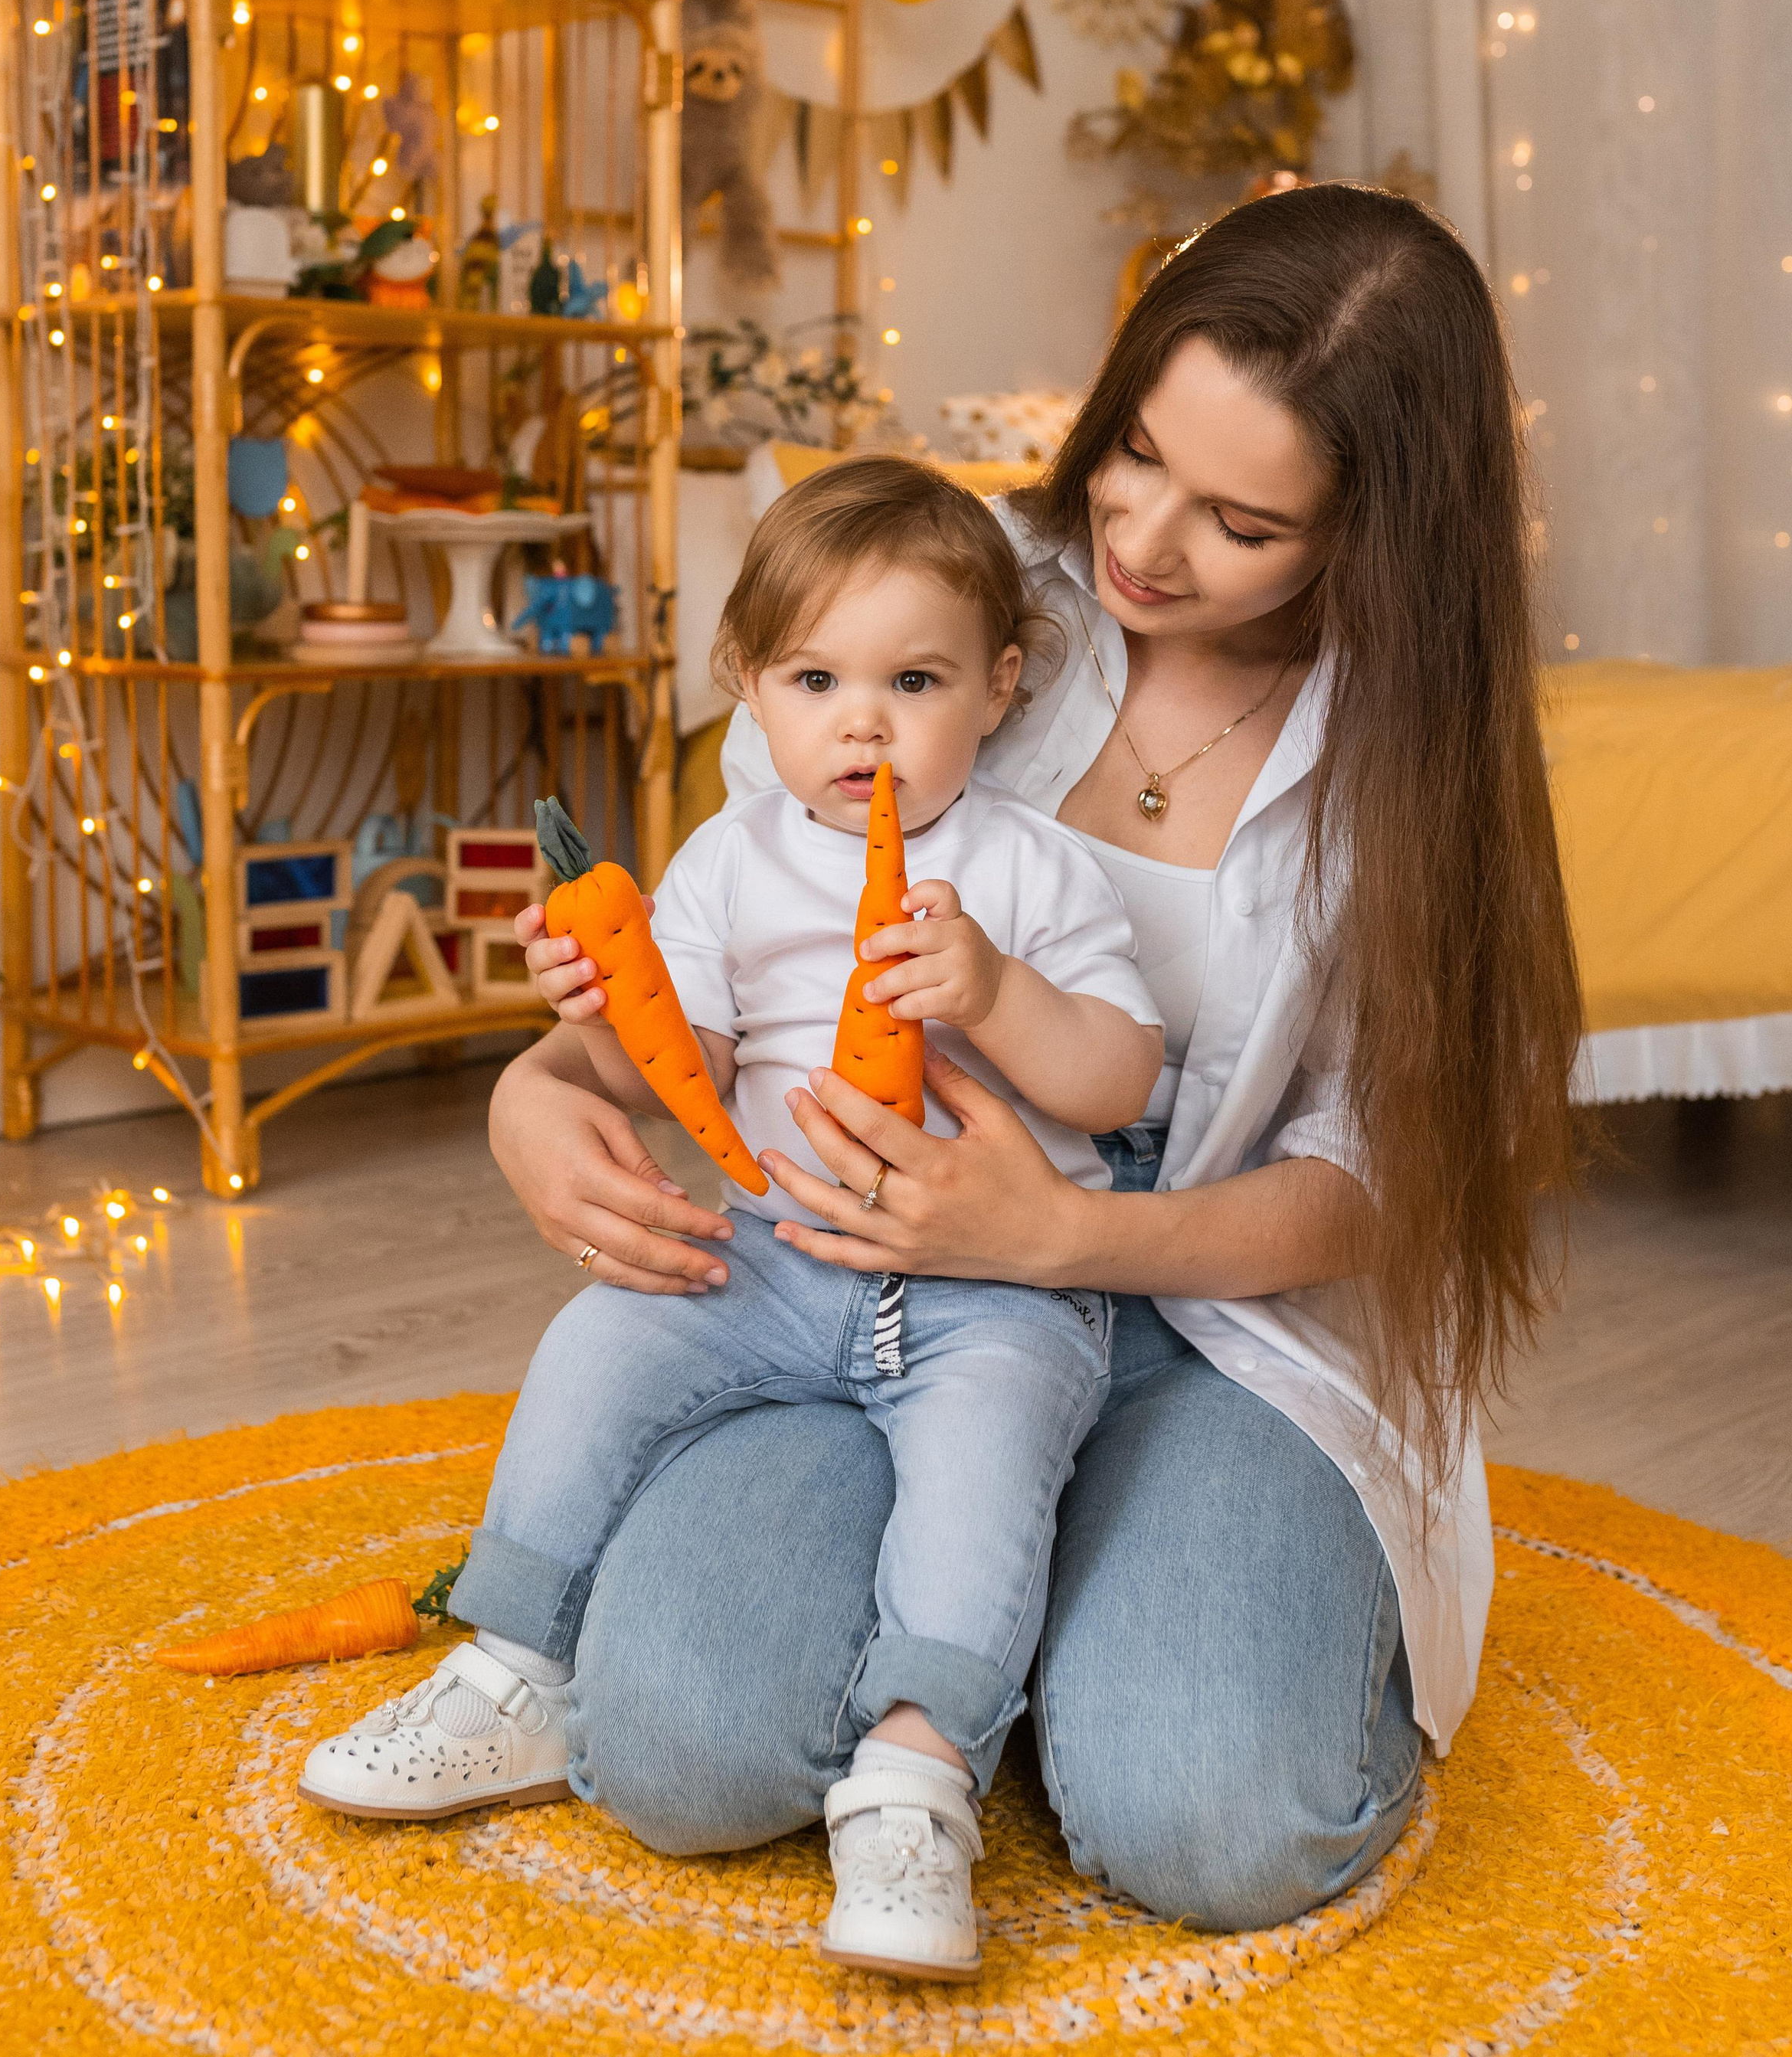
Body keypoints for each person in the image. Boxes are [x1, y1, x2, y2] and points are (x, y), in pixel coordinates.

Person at [417, 184, 1582, 1935]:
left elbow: (1386, 1177)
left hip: (1210, 1340)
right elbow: (730, 946)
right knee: (671, 1748)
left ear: (1370, 536)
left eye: (1242, 521)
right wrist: (536, 1094)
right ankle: (1002, 1643)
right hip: (857, 1298)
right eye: (1131, 452)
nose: (1143, 538)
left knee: (1217, 1824)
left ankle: (1041, 1655)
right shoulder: (961, 592)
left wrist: (1058, 1240)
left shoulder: (1408, 767)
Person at [300, 459, 1166, 1980]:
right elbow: (685, 1069)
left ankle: (915, 1780)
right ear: (746, 691)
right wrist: (598, 1004)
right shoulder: (727, 861)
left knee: (978, 1475)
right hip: (771, 1256)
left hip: (995, 1298)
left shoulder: (1027, 869)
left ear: (1000, 687)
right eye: (815, 678)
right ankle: (515, 1664)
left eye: (914, 679)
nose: (863, 722)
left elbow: (1116, 1077)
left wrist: (995, 995)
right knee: (598, 1341)